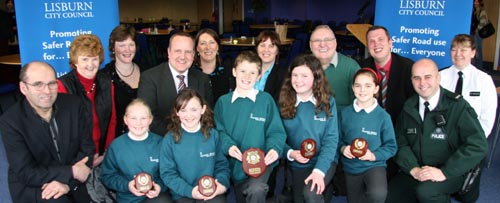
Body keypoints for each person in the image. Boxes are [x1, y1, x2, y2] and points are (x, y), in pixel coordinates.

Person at [386, 59, 488, 203]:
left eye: (428, 77)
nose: (422, 83)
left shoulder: (457, 106)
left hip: (451, 171)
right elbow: (400, 141)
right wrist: (413, 169)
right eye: (417, 78)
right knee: (389, 196)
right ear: (411, 80)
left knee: (426, 192)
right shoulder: (409, 106)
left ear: (438, 78)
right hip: (419, 169)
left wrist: (444, 172)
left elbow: (478, 145)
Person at [0, 61, 95, 202]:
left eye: (52, 83)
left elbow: (87, 150)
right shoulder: (11, 121)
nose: (47, 91)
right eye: (38, 84)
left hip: (74, 181)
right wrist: (71, 171)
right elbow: (26, 172)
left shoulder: (74, 105)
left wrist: (68, 184)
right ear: (23, 88)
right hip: (35, 185)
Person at [214, 51, 286, 203]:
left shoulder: (266, 100)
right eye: (243, 71)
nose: (247, 77)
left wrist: (274, 148)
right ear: (234, 72)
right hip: (235, 163)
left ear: (259, 76)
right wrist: (228, 146)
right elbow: (218, 131)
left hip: (262, 162)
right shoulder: (223, 102)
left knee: (256, 190)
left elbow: (276, 131)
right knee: (243, 197)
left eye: (252, 72)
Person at [439, 34, 497, 203]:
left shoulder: (484, 81)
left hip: (470, 141)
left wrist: (474, 141)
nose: (458, 54)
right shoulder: (440, 77)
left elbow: (487, 117)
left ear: (473, 53)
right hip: (443, 138)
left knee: (467, 195)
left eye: (463, 49)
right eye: (454, 49)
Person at [279, 54, 338, 203]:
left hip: (324, 159)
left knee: (311, 194)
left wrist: (319, 171)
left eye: (305, 75)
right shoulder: (283, 102)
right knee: (300, 199)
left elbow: (331, 140)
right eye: (295, 75)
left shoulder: (328, 102)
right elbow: (277, 138)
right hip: (299, 162)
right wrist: (291, 153)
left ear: (316, 77)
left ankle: (325, 186)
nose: (299, 80)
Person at [160, 88, 230, 202]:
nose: (189, 115)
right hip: (182, 194)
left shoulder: (213, 135)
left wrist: (221, 184)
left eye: (194, 109)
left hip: (211, 192)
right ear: (177, 112)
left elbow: (221, 166)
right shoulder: (169, 140)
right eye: (183, 110)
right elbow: (168, 174)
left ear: (203, 109)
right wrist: (190, 191)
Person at [58, 34, 116, 167]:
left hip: (102, 153)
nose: (90, 65)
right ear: (75, 61)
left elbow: (112, 120)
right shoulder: (63, 86)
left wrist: (106, 152)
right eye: (84, 59)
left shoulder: (106, 82)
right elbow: (65, 132)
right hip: (76, 158)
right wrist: (85, 160)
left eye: (94, 59)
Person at [339, 68, 397, 203]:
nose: (362, 90)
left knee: (378, 194)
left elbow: (391, 147)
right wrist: (343, 149)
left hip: (374, 165)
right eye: (358, 86)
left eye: (368, 86)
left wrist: (373, 155)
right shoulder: (344, 113)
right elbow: (337, 140)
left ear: (376, 89)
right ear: (353, 88)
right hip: (351, 166)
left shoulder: (383, 117)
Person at [138, 32, 213, 135]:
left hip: (196, 140)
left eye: (187, 51)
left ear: (193, 55)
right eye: (178, 51)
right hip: (162, 140)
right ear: (169, 52)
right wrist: (176, 136)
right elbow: (146, 116)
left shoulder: (202, 79)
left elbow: (207, 115)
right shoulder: (150, 78)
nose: (183, 56)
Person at [101, 99, 171, 203]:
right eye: (133, 118)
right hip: (127, 199)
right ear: (125, 120)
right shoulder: (116, 146)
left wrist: (159, 187)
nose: (138, 123)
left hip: (154, 198)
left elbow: (168, 173)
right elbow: (107, 176)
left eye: (143, 118)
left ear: (150, 120)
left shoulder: (160, 143)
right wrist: (127, 185)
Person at [359, 25, 415, 124]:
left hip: (401, 127)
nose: (376, 44)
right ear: (368, 46)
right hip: (370, 126)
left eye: (380, 39)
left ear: (390, 43)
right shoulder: (361, 69)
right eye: (372, 41)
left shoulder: (408, 68)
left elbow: (414, 104)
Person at [101, 24, 141, 136]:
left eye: (131, 45)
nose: (127, 50)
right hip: (116, 140)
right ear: (113, 48)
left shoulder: (147, 72)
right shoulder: (104, 77)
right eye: (122, 45)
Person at [309, 25, 360, 111]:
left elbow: (360, 105)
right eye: (317, 40)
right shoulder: (302, 67)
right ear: (310, 45)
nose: (322, 44)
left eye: (327, 40)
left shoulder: (351, 68)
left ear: (335, 43)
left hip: (341, 122)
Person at [194, 28, 235, 101]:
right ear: (197, 48)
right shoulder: (191, 73)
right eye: (203, 43)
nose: (208, 47)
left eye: (212, 42)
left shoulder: (229, 72)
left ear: (218, 47)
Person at [254, 30, 288, 102]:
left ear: (277, 51)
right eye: (262, 45)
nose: (266, 50)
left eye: (271, 46)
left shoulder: (283, 75)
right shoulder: (248, 70)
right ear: (257, 49)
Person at [471, 0, 489, 69]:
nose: (475, 3)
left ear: (480, 3)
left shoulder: (482, 11)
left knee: (478, 50)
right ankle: (475, 66)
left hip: (478, 34)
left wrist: (477, 29)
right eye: (474, 2)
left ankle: (479, 67)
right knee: (474, 49)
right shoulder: (473, 11)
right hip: (473, 33)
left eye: (477, 2)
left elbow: (483, 22)